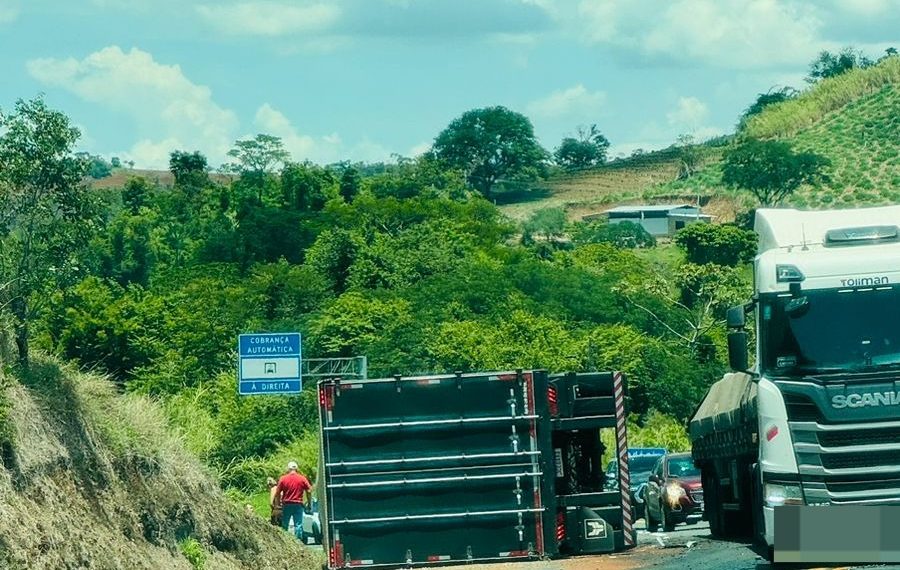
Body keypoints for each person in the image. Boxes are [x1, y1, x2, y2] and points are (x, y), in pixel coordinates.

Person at [275, 461, 312, 540]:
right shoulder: (302, 478)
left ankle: (284, 541)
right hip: (298, 505)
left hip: (286, 504)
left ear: (288, 469)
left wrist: (278, 504)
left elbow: (277, 493)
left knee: (285, 524)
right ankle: (298, 542)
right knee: (298, 525)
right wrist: (309, 503)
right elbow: (309, 491)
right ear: (296, 469)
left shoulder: (283, 478)